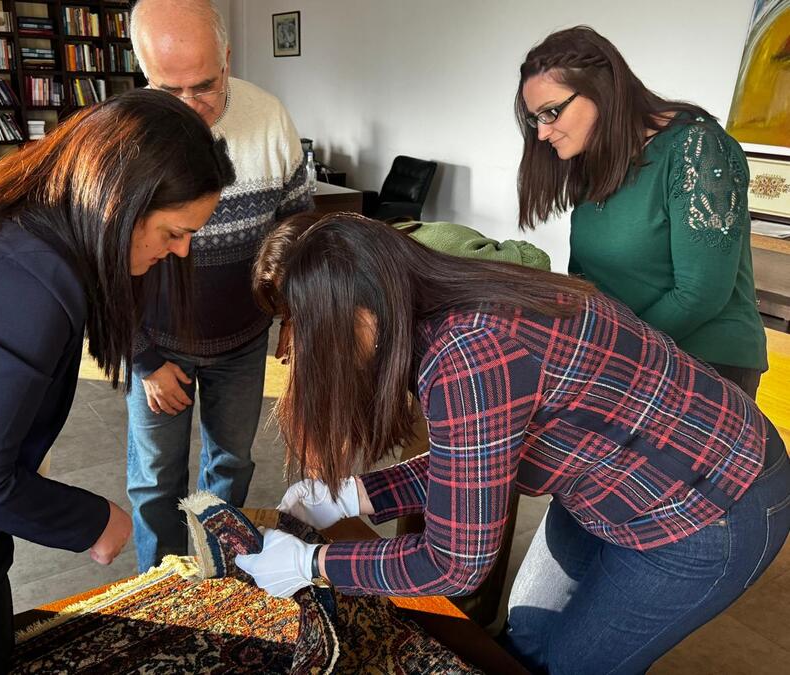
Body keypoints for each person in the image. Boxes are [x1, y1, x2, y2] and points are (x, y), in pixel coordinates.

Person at [236, 214, 790, 675]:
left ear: (361, 310)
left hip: (712, 502)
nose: (295, 347)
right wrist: (356, 495)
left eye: (303, 324)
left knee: (572, 666)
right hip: (616, 475)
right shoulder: (443, 293)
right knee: (526, 638)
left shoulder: (470, 355)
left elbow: (455, 565)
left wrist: (314, 563)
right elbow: (474, 459)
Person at [0, 89, 235, 674]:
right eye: (175, 231)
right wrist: (94, 521)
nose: (181, 250)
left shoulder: (7, 212)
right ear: (121, 204)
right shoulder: (28, 278)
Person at [126, 0, 312, 573]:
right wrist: (143, 359)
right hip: (159, 341)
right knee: (157, 480)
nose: (187, 108)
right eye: (167, 89)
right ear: (144, 75)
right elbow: (101, 266)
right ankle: (161, 588)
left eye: (203, 87)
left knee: (231, 466)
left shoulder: (271, 118)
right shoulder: (124, 135)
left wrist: (296, 317)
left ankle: (216, 577)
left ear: (227, 59)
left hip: (242, 338)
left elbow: (297, 232)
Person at [515, 26, 767, 398]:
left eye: (551, 112)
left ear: (603, 89)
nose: (542, 133)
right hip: (631, 357)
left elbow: (701, 293)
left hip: (705, 365)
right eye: (536, 118)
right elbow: (591, 278)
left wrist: (612, 353)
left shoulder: (697, 148)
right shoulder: (598, 158)